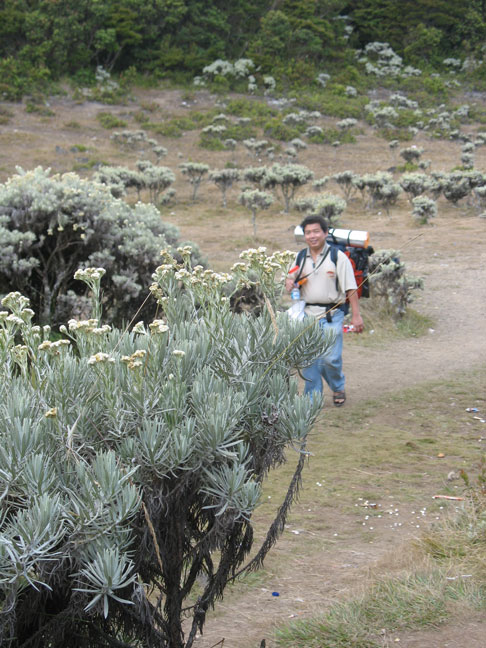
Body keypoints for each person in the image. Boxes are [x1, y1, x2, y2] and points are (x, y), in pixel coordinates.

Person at [285, 215, 364, 406]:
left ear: (325, 233)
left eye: (316, 231)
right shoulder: (299, 257)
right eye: (308, 232)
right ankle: (312, 399)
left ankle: (338, 386)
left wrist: (356, 315)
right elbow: (289, 281)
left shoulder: (338, 257)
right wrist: (289, 283)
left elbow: (350, 288)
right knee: (309, 358)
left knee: (330, 358)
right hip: (306, 316)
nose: (312, 236)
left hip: (332, 315)